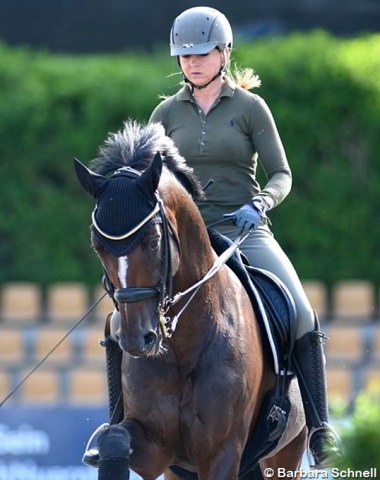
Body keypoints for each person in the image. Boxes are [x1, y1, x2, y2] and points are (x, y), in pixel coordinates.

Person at [83, 6, 341, 470]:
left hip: (245, 229)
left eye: (202, 53)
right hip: (185, 234)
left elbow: (282, 173)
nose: (193, 62)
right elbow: (148, 183)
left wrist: (261, 202)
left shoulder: (249, 109)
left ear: (224, 54)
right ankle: (116, 427)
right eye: (184, 56)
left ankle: (320, 427)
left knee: (301, 309)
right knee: (120, 322)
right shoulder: (165, 112)